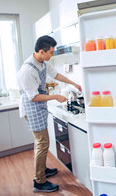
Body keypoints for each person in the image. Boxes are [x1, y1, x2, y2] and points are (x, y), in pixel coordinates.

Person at [17, 35, 82, 193]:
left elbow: (56, 75)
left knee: (41, 142)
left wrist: (73, 83)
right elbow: (33, 96)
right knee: (42, 143)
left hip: (38, 106)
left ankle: (42, 170)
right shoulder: (27, 70)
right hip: (31, 107)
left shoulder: (42, 62)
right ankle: (39, 181)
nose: (52, 55)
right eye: (51, 52)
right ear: (41, 51)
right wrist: (55, 96)